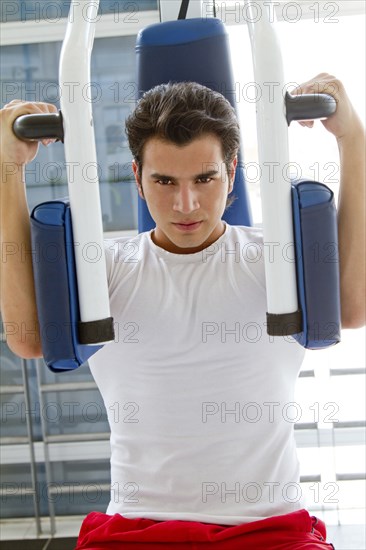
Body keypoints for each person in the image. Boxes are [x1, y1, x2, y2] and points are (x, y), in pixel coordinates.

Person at [0, 73, 365, 549]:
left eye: (205, 178)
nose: (185, 203)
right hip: (136, 528)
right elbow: (27, 337)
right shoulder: (101, 269)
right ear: (137, 178)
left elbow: (354, 306)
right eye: (164, 181)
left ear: (231, 172)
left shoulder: (277, 259)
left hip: (268, 529)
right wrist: (7, 165)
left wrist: (351, 135)